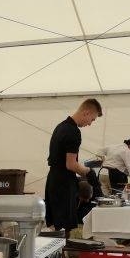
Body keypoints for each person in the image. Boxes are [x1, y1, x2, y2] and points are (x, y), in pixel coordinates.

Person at [45, 98, 102, 237]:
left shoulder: (60, 126)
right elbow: (71, 164)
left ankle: (60, 255)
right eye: (92, 120)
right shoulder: (73, 132)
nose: (89, 124)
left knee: (57, 225)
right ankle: (62, 256)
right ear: (86, 113)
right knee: (65, 227)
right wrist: (88, 172)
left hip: (53, 179)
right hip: (63, 183)